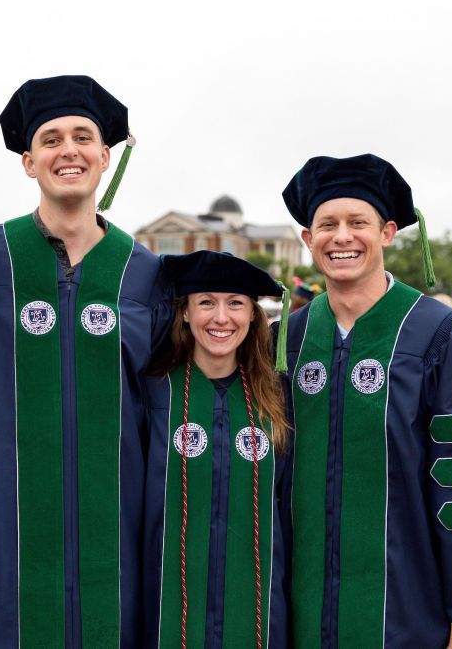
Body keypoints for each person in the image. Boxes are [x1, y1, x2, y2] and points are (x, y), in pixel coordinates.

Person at [281, 154, 452, 648]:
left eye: (358, 223)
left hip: (410, 605)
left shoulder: (445, 337)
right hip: (296, 606)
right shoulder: (284, 341)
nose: (341, 237)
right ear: (308, 240)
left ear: (388, 232)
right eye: (326, 224)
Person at [0, 75, 173, 648]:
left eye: (82, 137)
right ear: (28, 162)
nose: (67, 150)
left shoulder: (147, 274)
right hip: (5, 534)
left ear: (105, 156)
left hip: (119, 536)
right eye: (50, 140)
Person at [145, 251, 290, 648]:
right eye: (206, 302)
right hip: (163, 613)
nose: (222, 318)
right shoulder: (153, 395)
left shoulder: (277, 399)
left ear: (252, 315)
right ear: (186, 313)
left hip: (261, 613)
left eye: (236, 304)